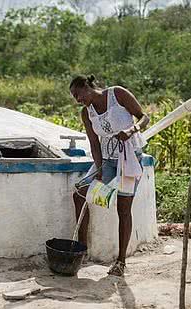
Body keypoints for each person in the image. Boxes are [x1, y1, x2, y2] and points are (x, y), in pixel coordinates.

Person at [69, 74, 150, 276]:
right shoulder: (86, 113)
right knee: (80, 194)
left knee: (123, 209)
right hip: (107, 161)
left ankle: (121, 262)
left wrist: (132, 130)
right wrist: (98, 170)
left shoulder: (117, 94)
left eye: (78, 94)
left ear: (87, 86)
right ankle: (81, 251)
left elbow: (144, 117)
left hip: (130, 157)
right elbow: (95, 144)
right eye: (75, 98)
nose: (78, 100)